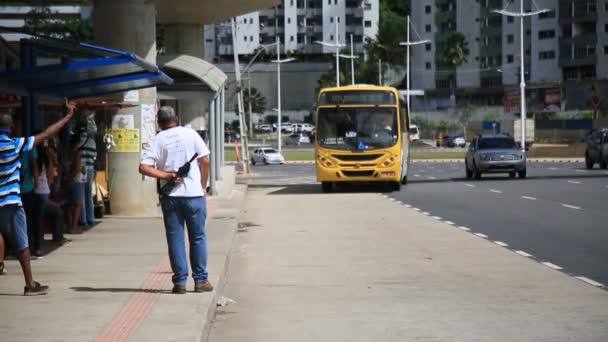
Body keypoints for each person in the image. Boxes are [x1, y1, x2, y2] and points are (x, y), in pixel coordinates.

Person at [0, 102, 75, 295]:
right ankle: (30, 284)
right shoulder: (15, 144)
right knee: (21, 242)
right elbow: (47, 134)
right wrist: (67, 117)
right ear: (12, 128)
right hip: (11, 202)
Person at [139, 106, 212, 294]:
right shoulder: (191, 134)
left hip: (171, 197)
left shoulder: (157, 140)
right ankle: (201, 280)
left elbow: (144, 167)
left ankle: (180, 282)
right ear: (177, 118)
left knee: (175, 239)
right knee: (197, 237)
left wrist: (164, 175)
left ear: (158, 122)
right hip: (194, 195)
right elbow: (205, 161)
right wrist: (203, 185)